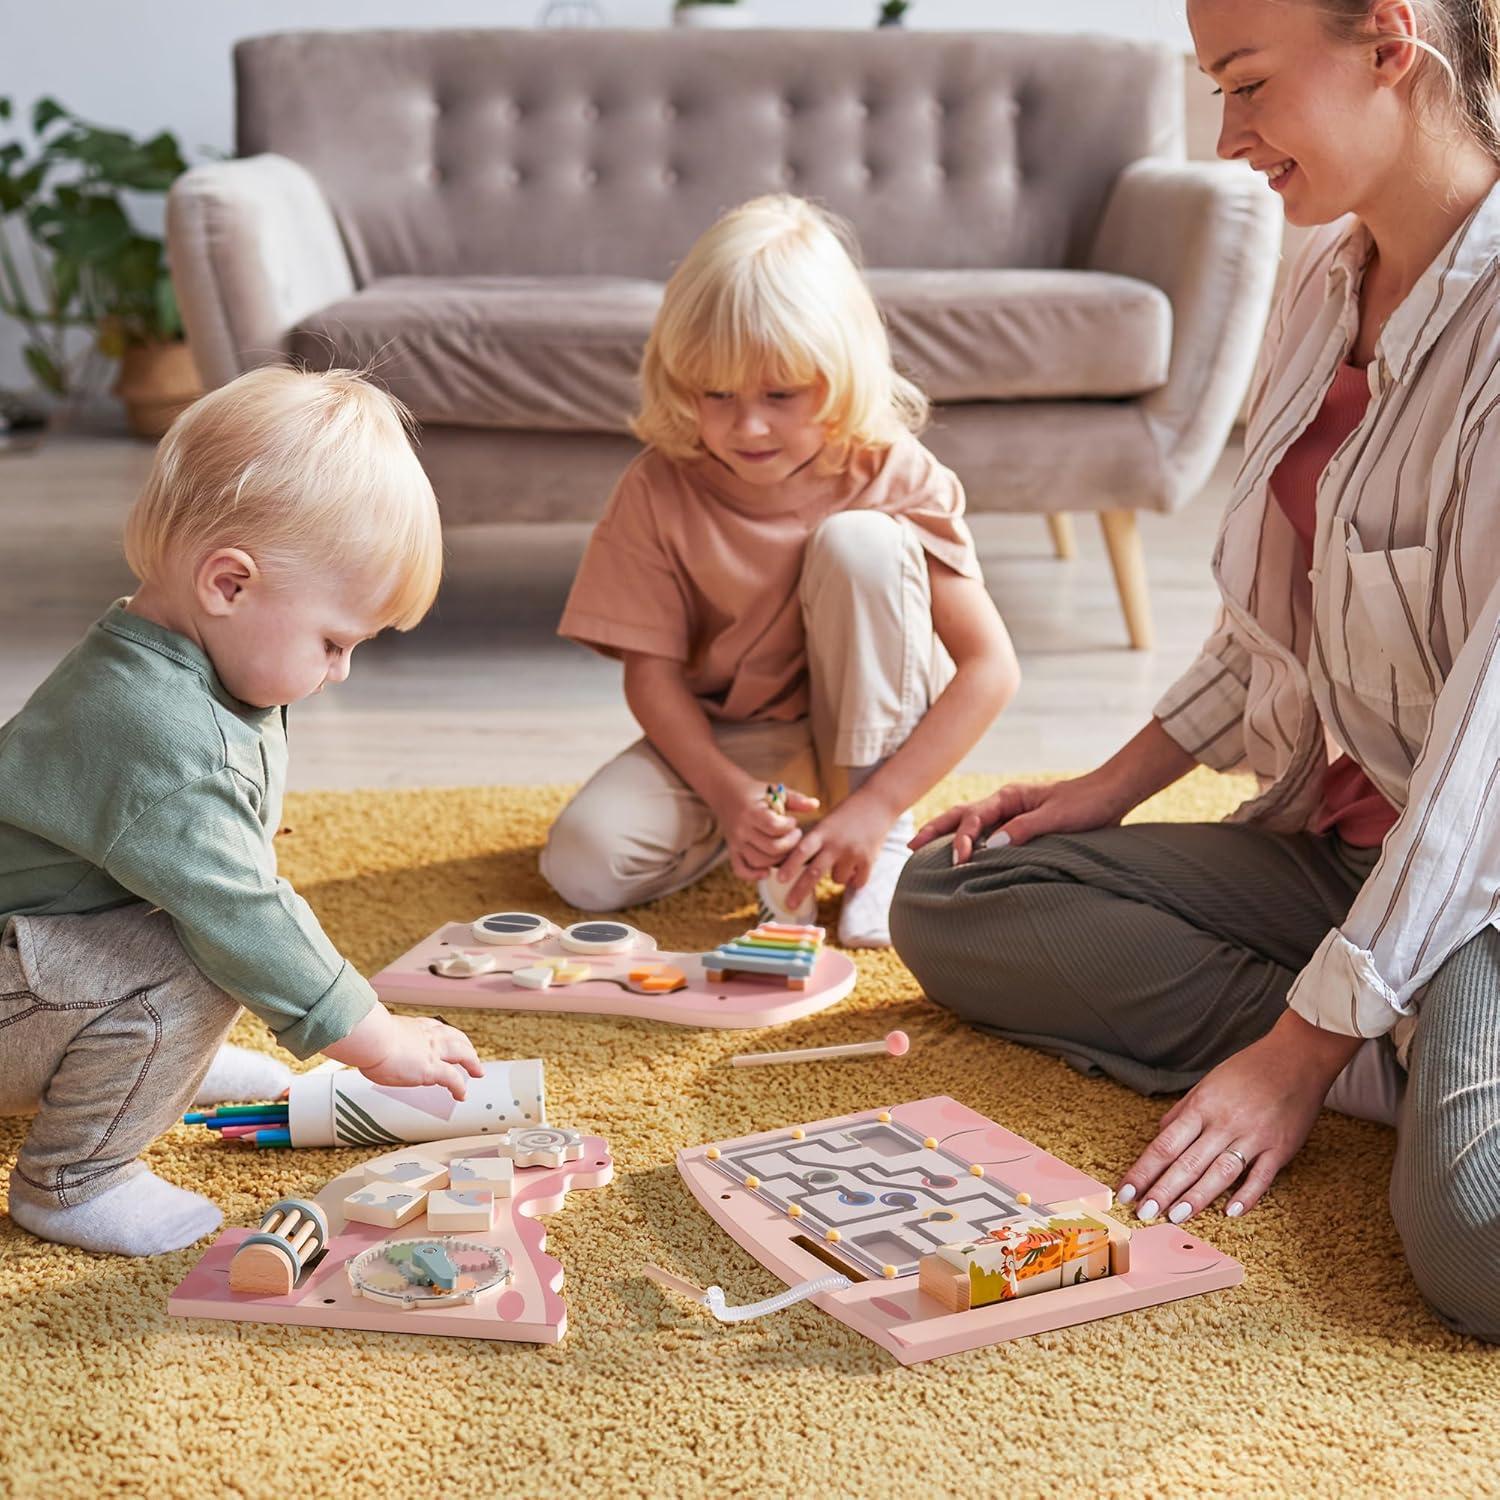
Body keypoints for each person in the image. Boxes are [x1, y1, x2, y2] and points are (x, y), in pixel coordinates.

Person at [891, 0, 1500, 1342]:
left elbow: (1481, 784)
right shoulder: (1327, 277)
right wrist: (1105, 790)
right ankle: (1398, 1053)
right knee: (952, 889)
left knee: (1478, 1244)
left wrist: (1298, 1055)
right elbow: (1272, 622)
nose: (1228, 138)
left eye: (1248, 84)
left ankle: (1373, 1042)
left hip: (1480, 883)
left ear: (1388, 42)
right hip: (1349, 854)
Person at [0, 367, 482, 1256]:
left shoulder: (161, 656)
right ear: (229, 585)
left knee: (198, 925)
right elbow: (243, 912)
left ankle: (153, 1057)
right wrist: (374, 1037)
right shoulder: (163, 737)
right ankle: (73, 1181)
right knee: (206, 949)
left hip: (25, 954)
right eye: (333, 641)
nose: (340, 671)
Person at [543, 195, 1019, 948]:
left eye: (780, 393)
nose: (749, 425)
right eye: (717, 394)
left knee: (861, 543)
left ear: (840, 374)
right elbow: (651, 679)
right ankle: (779, 833)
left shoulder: (893, 470)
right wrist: (731, 797)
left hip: (871, 738)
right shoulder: (659, 486)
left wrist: (877, 804)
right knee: (583, 865)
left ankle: (877, 838)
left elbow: (990, 668)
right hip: (739, 740)